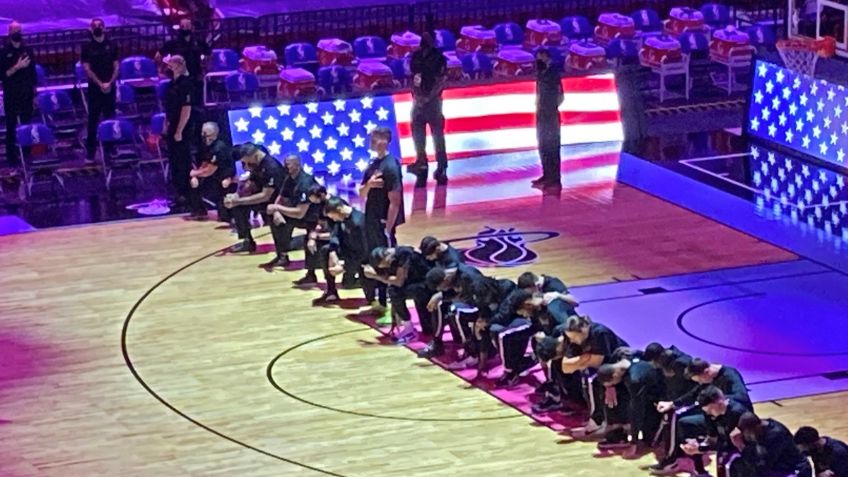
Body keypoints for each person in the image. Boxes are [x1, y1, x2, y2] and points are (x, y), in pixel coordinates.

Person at [358, 127, 405, 314]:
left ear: (384, 141)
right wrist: (368, 185)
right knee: (375, 259)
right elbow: (361, 193)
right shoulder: (373, 164)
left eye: (375, 138)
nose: (371, 141)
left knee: (387, 261)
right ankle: (381, 302)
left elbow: (395, 201)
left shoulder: (391, 166)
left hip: (382, 222)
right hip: (371, 219)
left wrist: (388, 227)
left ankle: (393, 305)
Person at [560, 314, 629, 437]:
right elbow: (565, 367)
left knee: (593, 381)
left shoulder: (599, 333)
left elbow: (597, 362)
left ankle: (598, 421)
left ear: (583, 331)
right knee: (586, 378)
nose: (571, 341)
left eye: (574, 337)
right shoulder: (573, 338)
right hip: (601, 367)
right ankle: (600, 419)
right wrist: (584, 359)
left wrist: (578, 363)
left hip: (618, 365)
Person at [670, 386, 752, 477]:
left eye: (710, 410)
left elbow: (735, 443)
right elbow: (712, 437)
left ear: (720, 403)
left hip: (745, 451)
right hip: (726, 448)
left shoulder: (739, 414)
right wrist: (699, 446)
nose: (708, 413)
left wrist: (700, 449)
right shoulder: (709, 413)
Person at [596, 348, 665, 455]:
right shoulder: (621, 356)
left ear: (615, 375)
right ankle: (618, 431)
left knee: (651, 441)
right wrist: (609, 388)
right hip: (642, 390)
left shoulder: (634, 380)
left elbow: (637, 410)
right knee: (610, 397)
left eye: (611, 383)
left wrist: (634, 441)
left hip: (657, 398)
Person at [224, 143, 285, 253]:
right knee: (237, 207)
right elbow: (250, 183)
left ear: (253, 155)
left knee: (239, 204)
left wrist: (239, 201)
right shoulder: (256, 164)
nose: (246, 165)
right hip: (264, 198)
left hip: (277, 201)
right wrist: (236, 195)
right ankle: (247, 241)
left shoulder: (271, 167)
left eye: (247, 161)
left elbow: (265, 196)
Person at [322, 197, 382, 306]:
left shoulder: (358, 222)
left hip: (364, 257)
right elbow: (336, 235)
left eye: (333, 217)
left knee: (352, 282)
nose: (334, 220)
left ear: (339, 209)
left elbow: (363, 252)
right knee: (326, 250)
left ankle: (374, 294)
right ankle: (331, 291)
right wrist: (333, 251)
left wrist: (344, 267)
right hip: (350, 252)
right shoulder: (342, 219)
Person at [406, 31, 448, 187]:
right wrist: (417, 96)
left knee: (437, 135)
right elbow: (413, 78)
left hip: (432, 102)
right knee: (418, 135)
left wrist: (427, 97)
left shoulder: (438, 57)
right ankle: (422, 165)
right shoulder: (416, 56)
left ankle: (441, 167)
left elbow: (440, 81)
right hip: (419, 101)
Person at [264, 154, 319, 270]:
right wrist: (276, 212)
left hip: (313, 218)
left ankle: (310, 271)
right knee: (274, 220)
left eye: (287, 164)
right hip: (299, 214)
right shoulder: (289, 178)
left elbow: (300, 213)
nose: (285, 167)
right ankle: (282, 255)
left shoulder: (305, 182)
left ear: (297, 165)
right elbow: (281, 197)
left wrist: (276, 208)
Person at [368, 246, 431, 342]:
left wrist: (375, 276)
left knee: (395, 291)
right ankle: (408, 326)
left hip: (425, 283)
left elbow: (399, 281)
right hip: (414, 282)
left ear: (386, 256)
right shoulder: (392, 257)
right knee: (394, 290)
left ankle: (409, 329)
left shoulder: (404, 254)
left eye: (386, 264)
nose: (387, 267)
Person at [81, 18, 119, 163]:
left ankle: (111, 147)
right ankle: (90, 152)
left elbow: (116, 65)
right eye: (94, 26)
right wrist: (100, 83)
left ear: (104, 28)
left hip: (110, 87)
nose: (97, 28)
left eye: (99, 26)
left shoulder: (112, 45)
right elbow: (87, 68)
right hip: (95, 89)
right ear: (91, 30)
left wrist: (109, 82)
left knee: (110, 117)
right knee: (93, 120)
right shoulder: (87, 47)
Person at [1, 21, 36, 167]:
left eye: (20, 30)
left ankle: (27, 157)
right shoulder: (3, 52)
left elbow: (32, 73)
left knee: (27, 126)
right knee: (11, 127)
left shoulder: (28, 51)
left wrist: (34, 92)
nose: (18, 33)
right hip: (11, 95)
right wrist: (17, 67)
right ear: (9, 33)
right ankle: (12, 161)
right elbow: (3, 75)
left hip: (26, 94)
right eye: (15, 30)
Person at [163, 55, 196, 202]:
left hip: (182, 127)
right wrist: (166, 122)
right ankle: (177, 190)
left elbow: (186, 110)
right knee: (174, 159)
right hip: (172, 124)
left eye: (171, 65)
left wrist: (179, 131)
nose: (169, 67)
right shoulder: (171, 84)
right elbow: (169, 107)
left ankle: (186, 191)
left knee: (183, 159)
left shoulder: (186, 84)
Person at [737, 413, 813, 477]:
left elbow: (764, 465)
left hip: (796, 469)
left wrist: (741, 447)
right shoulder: (759, 429)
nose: (748, 435)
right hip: (779, 466)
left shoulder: (776, 435)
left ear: (756, 427)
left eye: (748, 432)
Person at [188, 122, 234, 220]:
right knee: (192, 183)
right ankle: (199, 210)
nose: (204, 137)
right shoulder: (207, 145)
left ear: (214, 134)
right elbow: (205, 162)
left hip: (225, 180)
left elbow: (209, 170)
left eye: (206, 135)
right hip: (215, 180)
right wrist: (195, 176)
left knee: (225, 215)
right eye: (202, 134)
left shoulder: (219, 147)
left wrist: (194, 173)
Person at [533, 47, 564, 191]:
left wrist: (551, 107)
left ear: (547, 57)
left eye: (540, 57)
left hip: (550, 114)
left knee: (552, 146)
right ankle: (546, 174)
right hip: (541, 113)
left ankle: (554, 177)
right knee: (543, 145)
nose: (538, 60)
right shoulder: (540, 73)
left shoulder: (553, 73)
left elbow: (560, 95)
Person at [157, 18, 210, 87]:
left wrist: (205, 69)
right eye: (183, 26)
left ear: (192, 27)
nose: (185, 28)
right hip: (178, 78)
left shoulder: (199, 42)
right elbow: (158, 56)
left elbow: (209, 54)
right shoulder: (173, 43)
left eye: (188, 26)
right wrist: (161, 70)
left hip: (195, 76)